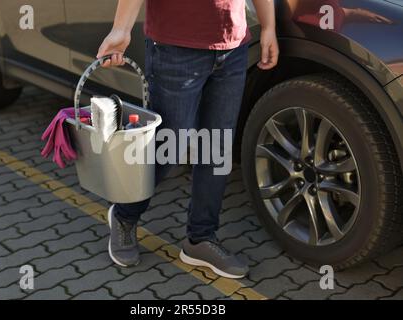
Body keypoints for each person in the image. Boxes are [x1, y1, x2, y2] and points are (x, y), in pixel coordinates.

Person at [97, 0, 279, 279]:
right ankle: (124, 215)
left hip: (233, 46)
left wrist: (268, 26)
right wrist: (121, 29)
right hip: (175, 47)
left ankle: (200, 238)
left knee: (216, 149)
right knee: (168, 148)